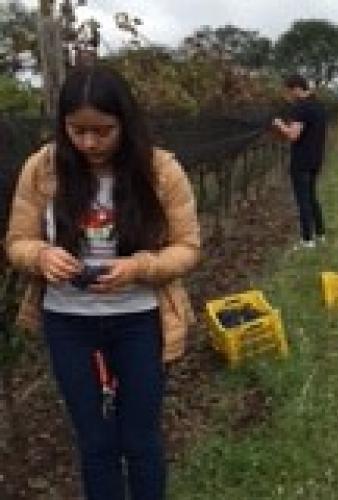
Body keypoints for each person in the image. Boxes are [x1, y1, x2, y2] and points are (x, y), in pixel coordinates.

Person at [5, 66, 200, 500]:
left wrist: (140, 268)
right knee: (95, 442)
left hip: (140, 321)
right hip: (69, 324)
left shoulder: (160, 171)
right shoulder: (43, 168)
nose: (90, 142)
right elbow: (17, 241)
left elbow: (188, 248)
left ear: (125, 123)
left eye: (103, 130)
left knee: (140, 438)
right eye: (77, 130)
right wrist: (40, 255)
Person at [272, 74, 327, 249]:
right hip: (316, 158)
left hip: (301, 160)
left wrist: (280, 124)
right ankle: (320, 234)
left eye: (288, 92)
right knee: (311, 197)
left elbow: (293, 135)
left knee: (303, 200)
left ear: (296, 89)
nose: (287, 96)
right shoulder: (318, 105)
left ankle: (307, 240)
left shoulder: (300, 108)